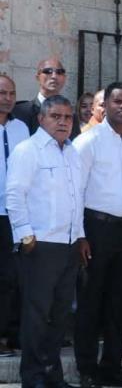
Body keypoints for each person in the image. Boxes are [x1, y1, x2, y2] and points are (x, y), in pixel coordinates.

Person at [73, 82, 122, 388]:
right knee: (91, 302)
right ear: (104, 105)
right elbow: (75, 190)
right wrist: (80, 235)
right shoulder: (88, 141)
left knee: (120, 304)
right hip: (95, 228)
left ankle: (112, 369)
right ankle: (87, 370)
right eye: (116, 101)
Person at [7, 95, 83, 388]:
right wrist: (25, 235)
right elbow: (14, 194)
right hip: (40, 244)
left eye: (67, 117)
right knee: (36, 314)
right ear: (41, 119)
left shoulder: (73, 152)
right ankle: (34, 377)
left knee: (60, 314)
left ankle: (53, 374)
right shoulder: (29, 150)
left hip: (70, 243)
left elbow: (79, 197)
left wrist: (81, 235)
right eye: (56, 117)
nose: (63, 122)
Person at [0, 75, 29, 358]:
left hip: (13, 213)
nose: (7, 98)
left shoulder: (22, 128)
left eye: (12, 93)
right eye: (2, 93)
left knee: (12, 277)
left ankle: (10, 334)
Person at [13, 58, 81, 138]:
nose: (54, 76)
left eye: (59, 72)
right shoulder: (20, 112)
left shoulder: (71, 115)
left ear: (64, 78)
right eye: (48, 71)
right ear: (38, 77)